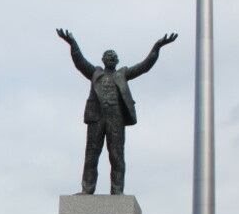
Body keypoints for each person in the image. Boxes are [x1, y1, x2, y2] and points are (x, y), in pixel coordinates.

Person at [56, 28, 178, 195]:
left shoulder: (123, 74)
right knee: (91, 155)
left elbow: (144, 66)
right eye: (109, 57)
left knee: (116, 155)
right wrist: (72, 43)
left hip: (116, 117)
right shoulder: (95, 73)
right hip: (96, 117)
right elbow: (79, 61)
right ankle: (87, 189)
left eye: (114, 57)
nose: (111, 59)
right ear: (103, 60)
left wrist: (156, 48)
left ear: (117, 61)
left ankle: (117, 190)